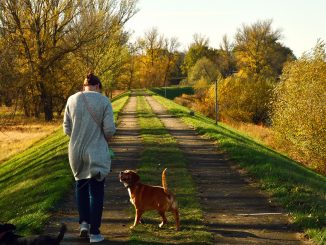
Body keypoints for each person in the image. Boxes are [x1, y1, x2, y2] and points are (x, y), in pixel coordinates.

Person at [63, 73, 116, 243]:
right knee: (96, 191)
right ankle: (94, 233)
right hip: (96, 152)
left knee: (81, 187)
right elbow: (109, 131)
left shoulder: (72, 99)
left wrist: (79, 136)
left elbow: (66, 129)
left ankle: (84, 224)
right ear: (98, 86)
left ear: (83, 86)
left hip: (76, 152)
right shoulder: (104, 101)